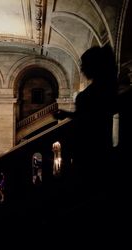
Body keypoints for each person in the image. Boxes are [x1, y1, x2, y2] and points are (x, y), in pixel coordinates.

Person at [54, 44, 118, 191]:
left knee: (88, 187)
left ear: (95, 65)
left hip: (92, 150)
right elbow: (87, 115)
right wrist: (67, 114)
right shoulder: (101, 88)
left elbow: (92, 118)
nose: (82, 69)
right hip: (88, 148)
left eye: (84, 64)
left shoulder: (101, 90)